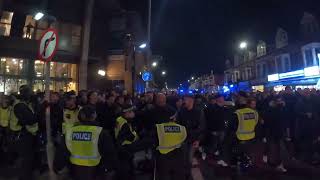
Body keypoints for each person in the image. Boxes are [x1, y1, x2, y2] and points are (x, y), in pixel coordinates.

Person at [54, 105, 118, 180]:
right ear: (94, 115)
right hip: (95, 171)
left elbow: (62, 152)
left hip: (75, 170)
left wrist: (57, 167)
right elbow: (109, 153)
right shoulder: (101, 132)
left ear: (81, 116)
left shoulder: (70, 132)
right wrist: (109, 169)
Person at [8, 85, 39, 180]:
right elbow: (31, 119)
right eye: (29, 92)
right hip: (21, 136)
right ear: (24, 93)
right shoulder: (20, 105)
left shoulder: (25, 104)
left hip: (25, 135)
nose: (31, 94)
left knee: (28, 160)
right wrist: (40, 109)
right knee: (26, 161)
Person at [177, 94, 206, 178]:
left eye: (185, 100)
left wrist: (198, 140)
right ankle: (184, 173)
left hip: (193, 139)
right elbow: (178, 125)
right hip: (183, 139)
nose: (183, 102)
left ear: (191, 100)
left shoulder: (199, 112)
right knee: (183, 158)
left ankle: (187, 175)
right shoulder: (181, 111)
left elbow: (202, 127)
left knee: (189, 158)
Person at [154, 108, 187, 180]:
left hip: (163, 156)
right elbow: (185, 139)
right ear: (174, 117)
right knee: (178, 176)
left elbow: (154, 140)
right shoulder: (182, 128)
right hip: (178, 156)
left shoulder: (159, 127)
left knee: (164, 176)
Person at [229, 96, 258, 170]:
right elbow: (256, 123)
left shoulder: (237, 113)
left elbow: (233, 126)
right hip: (251, 136)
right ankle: (247, 162)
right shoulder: (254, 113)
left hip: (239, 137)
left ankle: (238, 163)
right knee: (247, 151)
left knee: (237, 152)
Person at [114, 104, 139, 180]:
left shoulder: (120, 119)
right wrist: (135, 135)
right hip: (125, 149)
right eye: (132, 112)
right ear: (127, 113)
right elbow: (128, 137)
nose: (134, 113)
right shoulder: (125, 124)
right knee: (126, 170)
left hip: (122, 149)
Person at [205, 94, 229, 166]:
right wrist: (212, 130)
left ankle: (220, 159)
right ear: (218, 99)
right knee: (214, 145)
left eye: (223, 98)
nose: (223, 99)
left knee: (221, 145)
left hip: (222, 129)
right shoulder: (212, 108)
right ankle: (209, 157)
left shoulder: (224, 108)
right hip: (215, 130)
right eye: (221, 98)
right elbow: (210, 120)